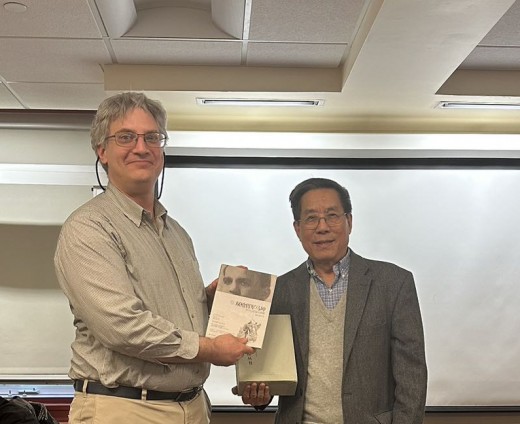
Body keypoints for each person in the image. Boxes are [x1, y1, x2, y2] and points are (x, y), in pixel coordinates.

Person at [54, 92, 254, 424]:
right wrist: (210, 349)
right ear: (102, 151)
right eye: (126, 137)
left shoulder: (176, 234)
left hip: (192, 406)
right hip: (125, 409)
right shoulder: (89, 228)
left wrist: (208, 300)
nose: (141, 147)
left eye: (152, 137)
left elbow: (170, 316)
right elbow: (122, 327)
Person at [239, 177, 427, 424]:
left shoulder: (394, 283)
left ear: (349, 221)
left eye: (332, 216)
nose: (322, 227)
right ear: (297, 229)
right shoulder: (278, 291)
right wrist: (259, 395)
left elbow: (412, 375)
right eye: (311, 218)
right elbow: (269, 371)